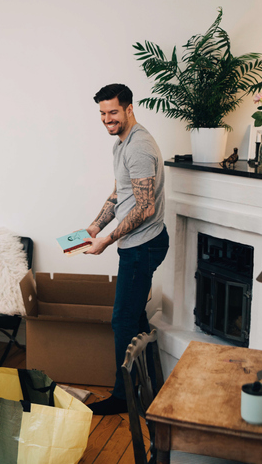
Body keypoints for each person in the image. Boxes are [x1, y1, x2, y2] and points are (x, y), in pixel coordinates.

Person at [83, 83, 169, 415]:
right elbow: (121, 194)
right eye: (103, 113)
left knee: (121, 321)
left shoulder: (139, 146)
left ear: (130, 108)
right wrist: (95, 227)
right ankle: (151, 385)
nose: (107, 119)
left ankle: (123, 396)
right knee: (133, 318)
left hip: (143, 246)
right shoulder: (122, 144)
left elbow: (145, 207)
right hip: (135, 244)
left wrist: (106, 239)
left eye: (113, 112)